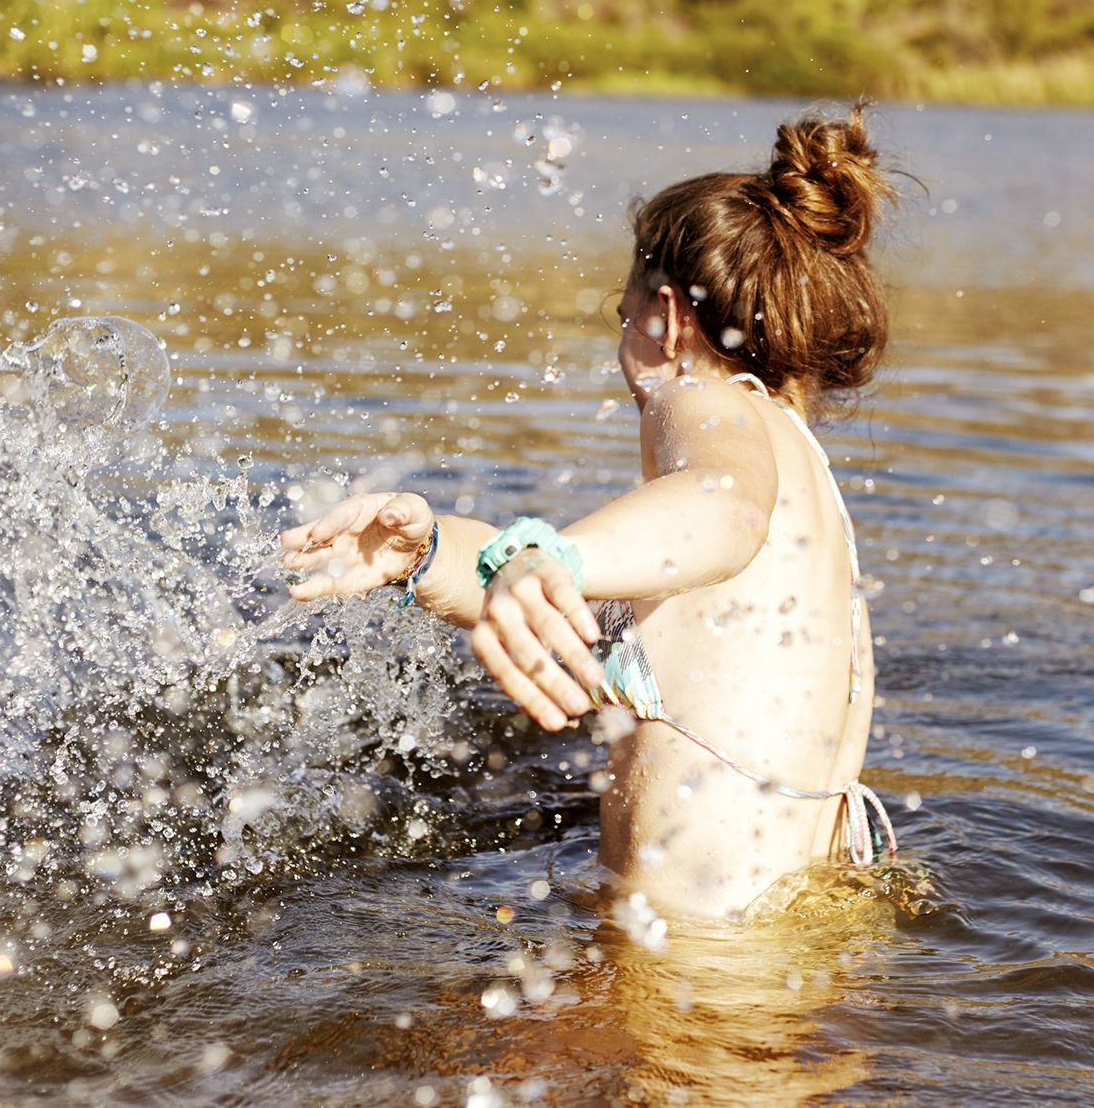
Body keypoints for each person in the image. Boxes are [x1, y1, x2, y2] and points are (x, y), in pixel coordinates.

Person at [278, 104, 901, 920]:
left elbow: (723, 510)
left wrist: (551, 554)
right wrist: (427, 554)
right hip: (799, 956)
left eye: (623, 316)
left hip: (686, 979)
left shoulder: (701, 398)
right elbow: (575, 593)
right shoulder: (798, 481)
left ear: (668, 319)